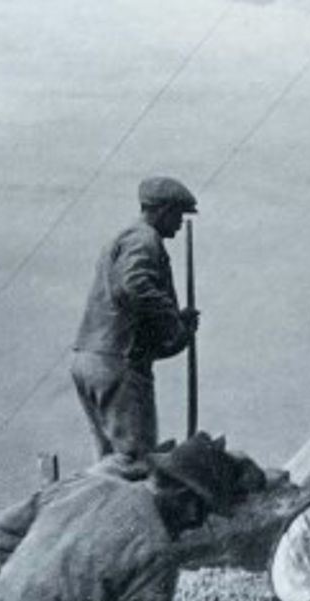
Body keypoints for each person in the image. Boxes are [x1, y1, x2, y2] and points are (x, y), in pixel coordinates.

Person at [0, 434, 245, 601]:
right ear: (186, 499)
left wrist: (31, 587)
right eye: (204, 511)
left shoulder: (86, 484)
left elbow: (0, 534)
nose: (196, 524)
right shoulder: (155, 551)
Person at [71, 176, 201, 459]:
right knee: (135, 463)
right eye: (178, 215)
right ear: (164, 210)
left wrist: (175, 324)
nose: (180, 223)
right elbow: (135, 286)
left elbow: (126, 299)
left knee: (110, 463)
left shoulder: (124, 237)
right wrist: (175, 324)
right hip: (118, 362)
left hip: (91, 357)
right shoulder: (144, 239)